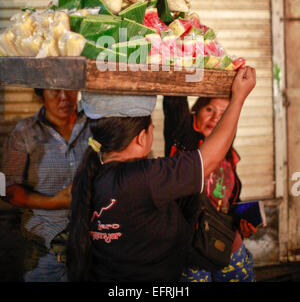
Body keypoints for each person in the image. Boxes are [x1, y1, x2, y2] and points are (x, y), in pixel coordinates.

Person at [66, 65, 256, 282]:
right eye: (152, 128)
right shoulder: (143, 178)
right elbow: (208, 160)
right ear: (141, 137)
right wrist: (238, 98)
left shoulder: (95, 172)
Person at [163, 94, 257, 282]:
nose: (215, 118)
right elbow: (174, 102)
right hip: (193, 252)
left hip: (229, 248)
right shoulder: (183, 142)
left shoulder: (229, 153)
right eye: (209, 110)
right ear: (195, 111)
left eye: (223, 114)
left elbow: (230, 200)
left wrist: (245, 223)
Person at [1, 88, 92, 282]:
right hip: (42, 244)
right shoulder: (24, 131)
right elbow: (5, 189)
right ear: (41, 95)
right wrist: (54, 202)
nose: (63, 97)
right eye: (53, 91)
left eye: (68, 88)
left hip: (92, 240)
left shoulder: (94, 126)